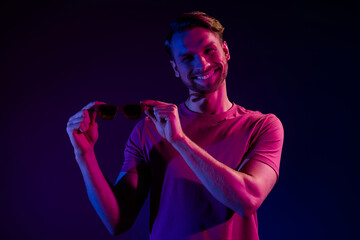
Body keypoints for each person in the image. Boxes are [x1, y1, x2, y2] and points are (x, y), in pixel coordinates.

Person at [66, 11, 284, 240]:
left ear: (226, 51)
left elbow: (248, 200)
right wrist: (84, 154)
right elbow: (117, 221)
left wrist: (179, 140)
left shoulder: (262, 126)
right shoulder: (148, 130)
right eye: (187, 58)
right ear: (175, 68)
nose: (202, 63)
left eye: (209, 50)